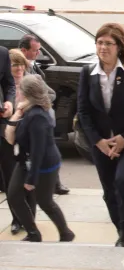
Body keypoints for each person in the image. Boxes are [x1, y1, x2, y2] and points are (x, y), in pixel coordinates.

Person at [77, 23, 124, 248]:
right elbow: (83, 111)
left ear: (119, 47)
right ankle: (123, 227)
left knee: (123, 179)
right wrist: (98, 141)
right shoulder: (87, 73)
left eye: (108, 43)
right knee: (110, 193)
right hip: (102, 143)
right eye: (99, 43)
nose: (103, 47)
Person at [3, 75, 74, 243]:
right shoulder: (27, 110)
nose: (17, 91)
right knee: (13, 196)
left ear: (27, 94)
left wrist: (32, 179)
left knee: (45, 202)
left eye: (20, 89)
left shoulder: (38, 117)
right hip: (25, 161)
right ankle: (33, 233)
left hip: (43, 166)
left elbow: (38, 151)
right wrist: (17, 114)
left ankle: (66, 233)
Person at [18, 35, 69, 195]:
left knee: (43, 149)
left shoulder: (34, 69)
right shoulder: (20, 69)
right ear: (24, 51)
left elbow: (50, 93)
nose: (38, 53)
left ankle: (52, 183)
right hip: (24, 117)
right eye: (35, 50)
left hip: (37, 116)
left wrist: (40, 100)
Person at [0, 47, 23, 235]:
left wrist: (9, 101)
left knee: (10, 175)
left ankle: (18, 218)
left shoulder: (2, 53)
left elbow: (9, 84)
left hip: (1, 124)